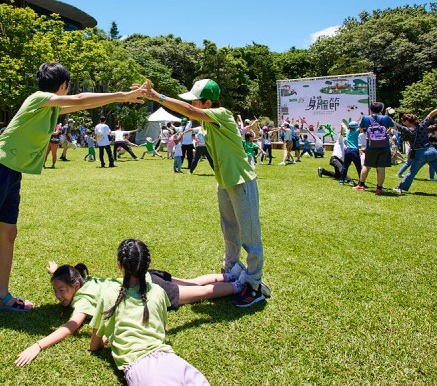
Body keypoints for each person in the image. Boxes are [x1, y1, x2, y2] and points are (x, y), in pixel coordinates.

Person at [0, 63, 147, 328]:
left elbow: (82, 104)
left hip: (12, 172)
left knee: (8, 232)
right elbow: (81, 99)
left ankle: (1, 296)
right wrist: (122, 96)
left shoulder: (51, 108)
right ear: (62, 86)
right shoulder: (38, 99)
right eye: (67, 86)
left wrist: (118, 99)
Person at [146, 78, 270, 307]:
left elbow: (189, 111)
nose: (193, 105)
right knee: (230, 231)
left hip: (242, 181)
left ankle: (254, 285)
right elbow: (192, 114)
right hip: (225, 181)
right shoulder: (205, 123)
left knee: (250, 236)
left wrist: (158, 97)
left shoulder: (221, 113)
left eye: (196, 101)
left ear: (208, 102)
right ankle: (232, 270)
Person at [15, 257, 246, 367]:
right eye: (56, 291)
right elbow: (69, 274)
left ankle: (238, 286)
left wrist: (38, 345)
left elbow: (70, 327)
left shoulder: (82, 300)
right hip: (144, 276)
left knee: (201, 293)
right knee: (193, 283)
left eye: (61, 290)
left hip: (147, 288)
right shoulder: (86, 280)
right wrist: (56, 271)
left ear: (75, 286)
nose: (59, 296)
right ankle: (231, 275)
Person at [88, 239, 210, 386]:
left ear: (119, 265)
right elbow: (163, 330)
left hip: (142, 369)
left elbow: (94, 346)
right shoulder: (158, 292)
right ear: (147, 266)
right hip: (172, 360)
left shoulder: (108, 296)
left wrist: (110, 337)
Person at [392, 100, 437, 196]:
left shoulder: (407, 130)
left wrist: (385, 115)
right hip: (433, 151)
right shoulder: (422, 125)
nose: (403, 123)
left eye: (403, 121)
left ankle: (400, 188)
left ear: (407, 121)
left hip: (420, 153)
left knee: (412, 172)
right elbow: (431, 114)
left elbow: (394, 125)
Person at [354, 102, 396, 195]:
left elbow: (361, 128)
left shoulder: (366, 118)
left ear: (370, 109)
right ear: (381, 110)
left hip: (371, 145)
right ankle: (379, 188)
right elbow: (393, 126)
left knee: (367, 165)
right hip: (384, 145)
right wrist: (386, 132)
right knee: (381, 167)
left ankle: (361, 185)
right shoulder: (385, 118)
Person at [340, 121, 362, 185]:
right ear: (355, 127)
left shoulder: (347, 132)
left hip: (347, 150)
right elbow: (361, 127)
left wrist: (343, 125)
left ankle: (341, 180)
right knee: (358, 167)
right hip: (354, 151)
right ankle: (361, 181)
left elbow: (344, 127)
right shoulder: (356, 132)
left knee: (345, 166)